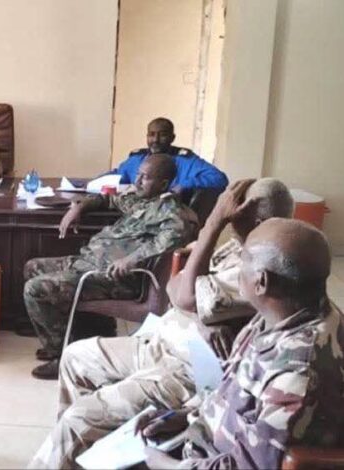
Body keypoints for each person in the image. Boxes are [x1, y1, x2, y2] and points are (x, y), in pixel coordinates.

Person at [27, 178, 295, 469]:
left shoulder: (260, 268)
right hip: (160, 342)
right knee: (74, 357)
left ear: (255, 220)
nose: (230, 216)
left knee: (78, 418)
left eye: (235, 210)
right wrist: (197, 313)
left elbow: (184, 295)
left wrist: (214, 223)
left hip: (185, 369)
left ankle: (71, 443)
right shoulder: (237, 248)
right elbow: (174, 287)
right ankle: (80, 456)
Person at [138, 218, 344, 469]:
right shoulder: (283, 313)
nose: (237, 268)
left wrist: (166, 466)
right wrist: (183, 417)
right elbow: (233, 392)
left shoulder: (297, 374)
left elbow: (248, 466)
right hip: (202, 441)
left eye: (243, 260)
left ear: (261, 282)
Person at [25, 154, 198, 380]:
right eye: (138, 175)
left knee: (36, 289)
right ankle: (71, 337)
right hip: (89, 262)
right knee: (32, 267)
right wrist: (79, 207)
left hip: (116, 277)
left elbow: (167, 243)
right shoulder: (141, 199)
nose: (137, 181)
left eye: (145, 178)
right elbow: (108, 199)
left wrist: (132, 259)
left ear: (164, 184)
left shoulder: (173, 215)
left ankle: (64, 358)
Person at [109, 117, 228, 193]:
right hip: (135, 211)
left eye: (162, 135)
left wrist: (183, 185)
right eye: (151, 134)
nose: (156, 140)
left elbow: (219, 178)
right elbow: (116, 177)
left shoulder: (186, 160)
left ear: (172, 138)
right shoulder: (137, 159)